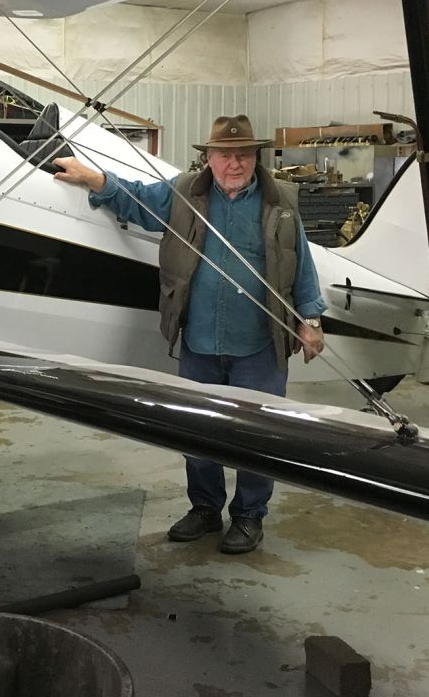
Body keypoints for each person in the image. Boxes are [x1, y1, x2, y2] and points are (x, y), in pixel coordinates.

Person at [52, 114, 326, 554]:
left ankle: (250, 515)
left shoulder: (281, 203)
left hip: (258, 344)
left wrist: (310, 319)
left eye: (243, 155)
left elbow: (302, 264)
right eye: (224, 155)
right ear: (209, 159)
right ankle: (205, 509)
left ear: (255, 157)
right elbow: (136, 200)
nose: (234, 163)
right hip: (199, 341)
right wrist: (94, 178)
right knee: (196, 432)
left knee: (257, 434)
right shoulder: (184, 194)